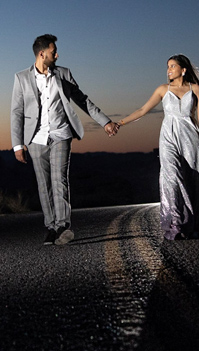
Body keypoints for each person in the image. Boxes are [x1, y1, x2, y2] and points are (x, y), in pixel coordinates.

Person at [10, 34, 119, 245]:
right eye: (53, 52)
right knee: (44, 185)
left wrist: (105, 121)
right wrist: (17, 144)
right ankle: (50, 227)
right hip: (35, 139)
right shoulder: (21, 78)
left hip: (61, 134)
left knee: (60, 180)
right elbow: (16, 112)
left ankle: (63, 226)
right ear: (42, 54)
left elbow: (82, 100)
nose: (57, 55)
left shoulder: (64, 74)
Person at [116, 54, 199, 240]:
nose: (169, 70)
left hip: (191, 137)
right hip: (168, 138)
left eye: (173, 66)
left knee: (195, 179)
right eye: (168, 66)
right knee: (172, 177)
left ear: (183, 69)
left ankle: (198, 223)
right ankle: (177, 224)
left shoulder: (195, 88)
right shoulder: (162, 89)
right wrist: (120, 123)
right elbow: (142, 110)